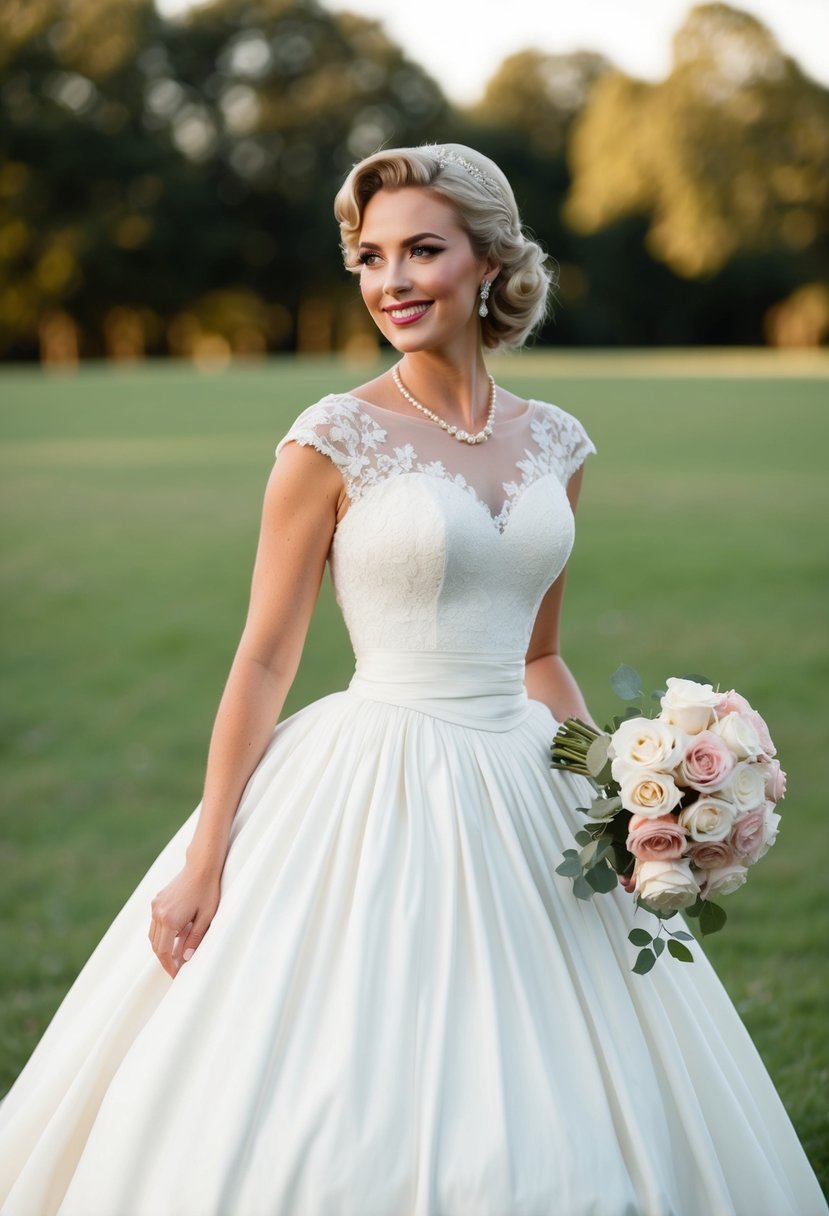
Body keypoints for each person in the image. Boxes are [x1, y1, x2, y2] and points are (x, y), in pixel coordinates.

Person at [0, 143, 825, 1216]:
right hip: (368, 776)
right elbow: (263, 657)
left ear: (487, 262)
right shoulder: (328, 440)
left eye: (421, 251)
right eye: (370, 256)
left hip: (528, 785)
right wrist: (206, 857)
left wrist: (626, 798)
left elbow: (538, 654)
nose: (390, 281)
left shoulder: (558, 442)